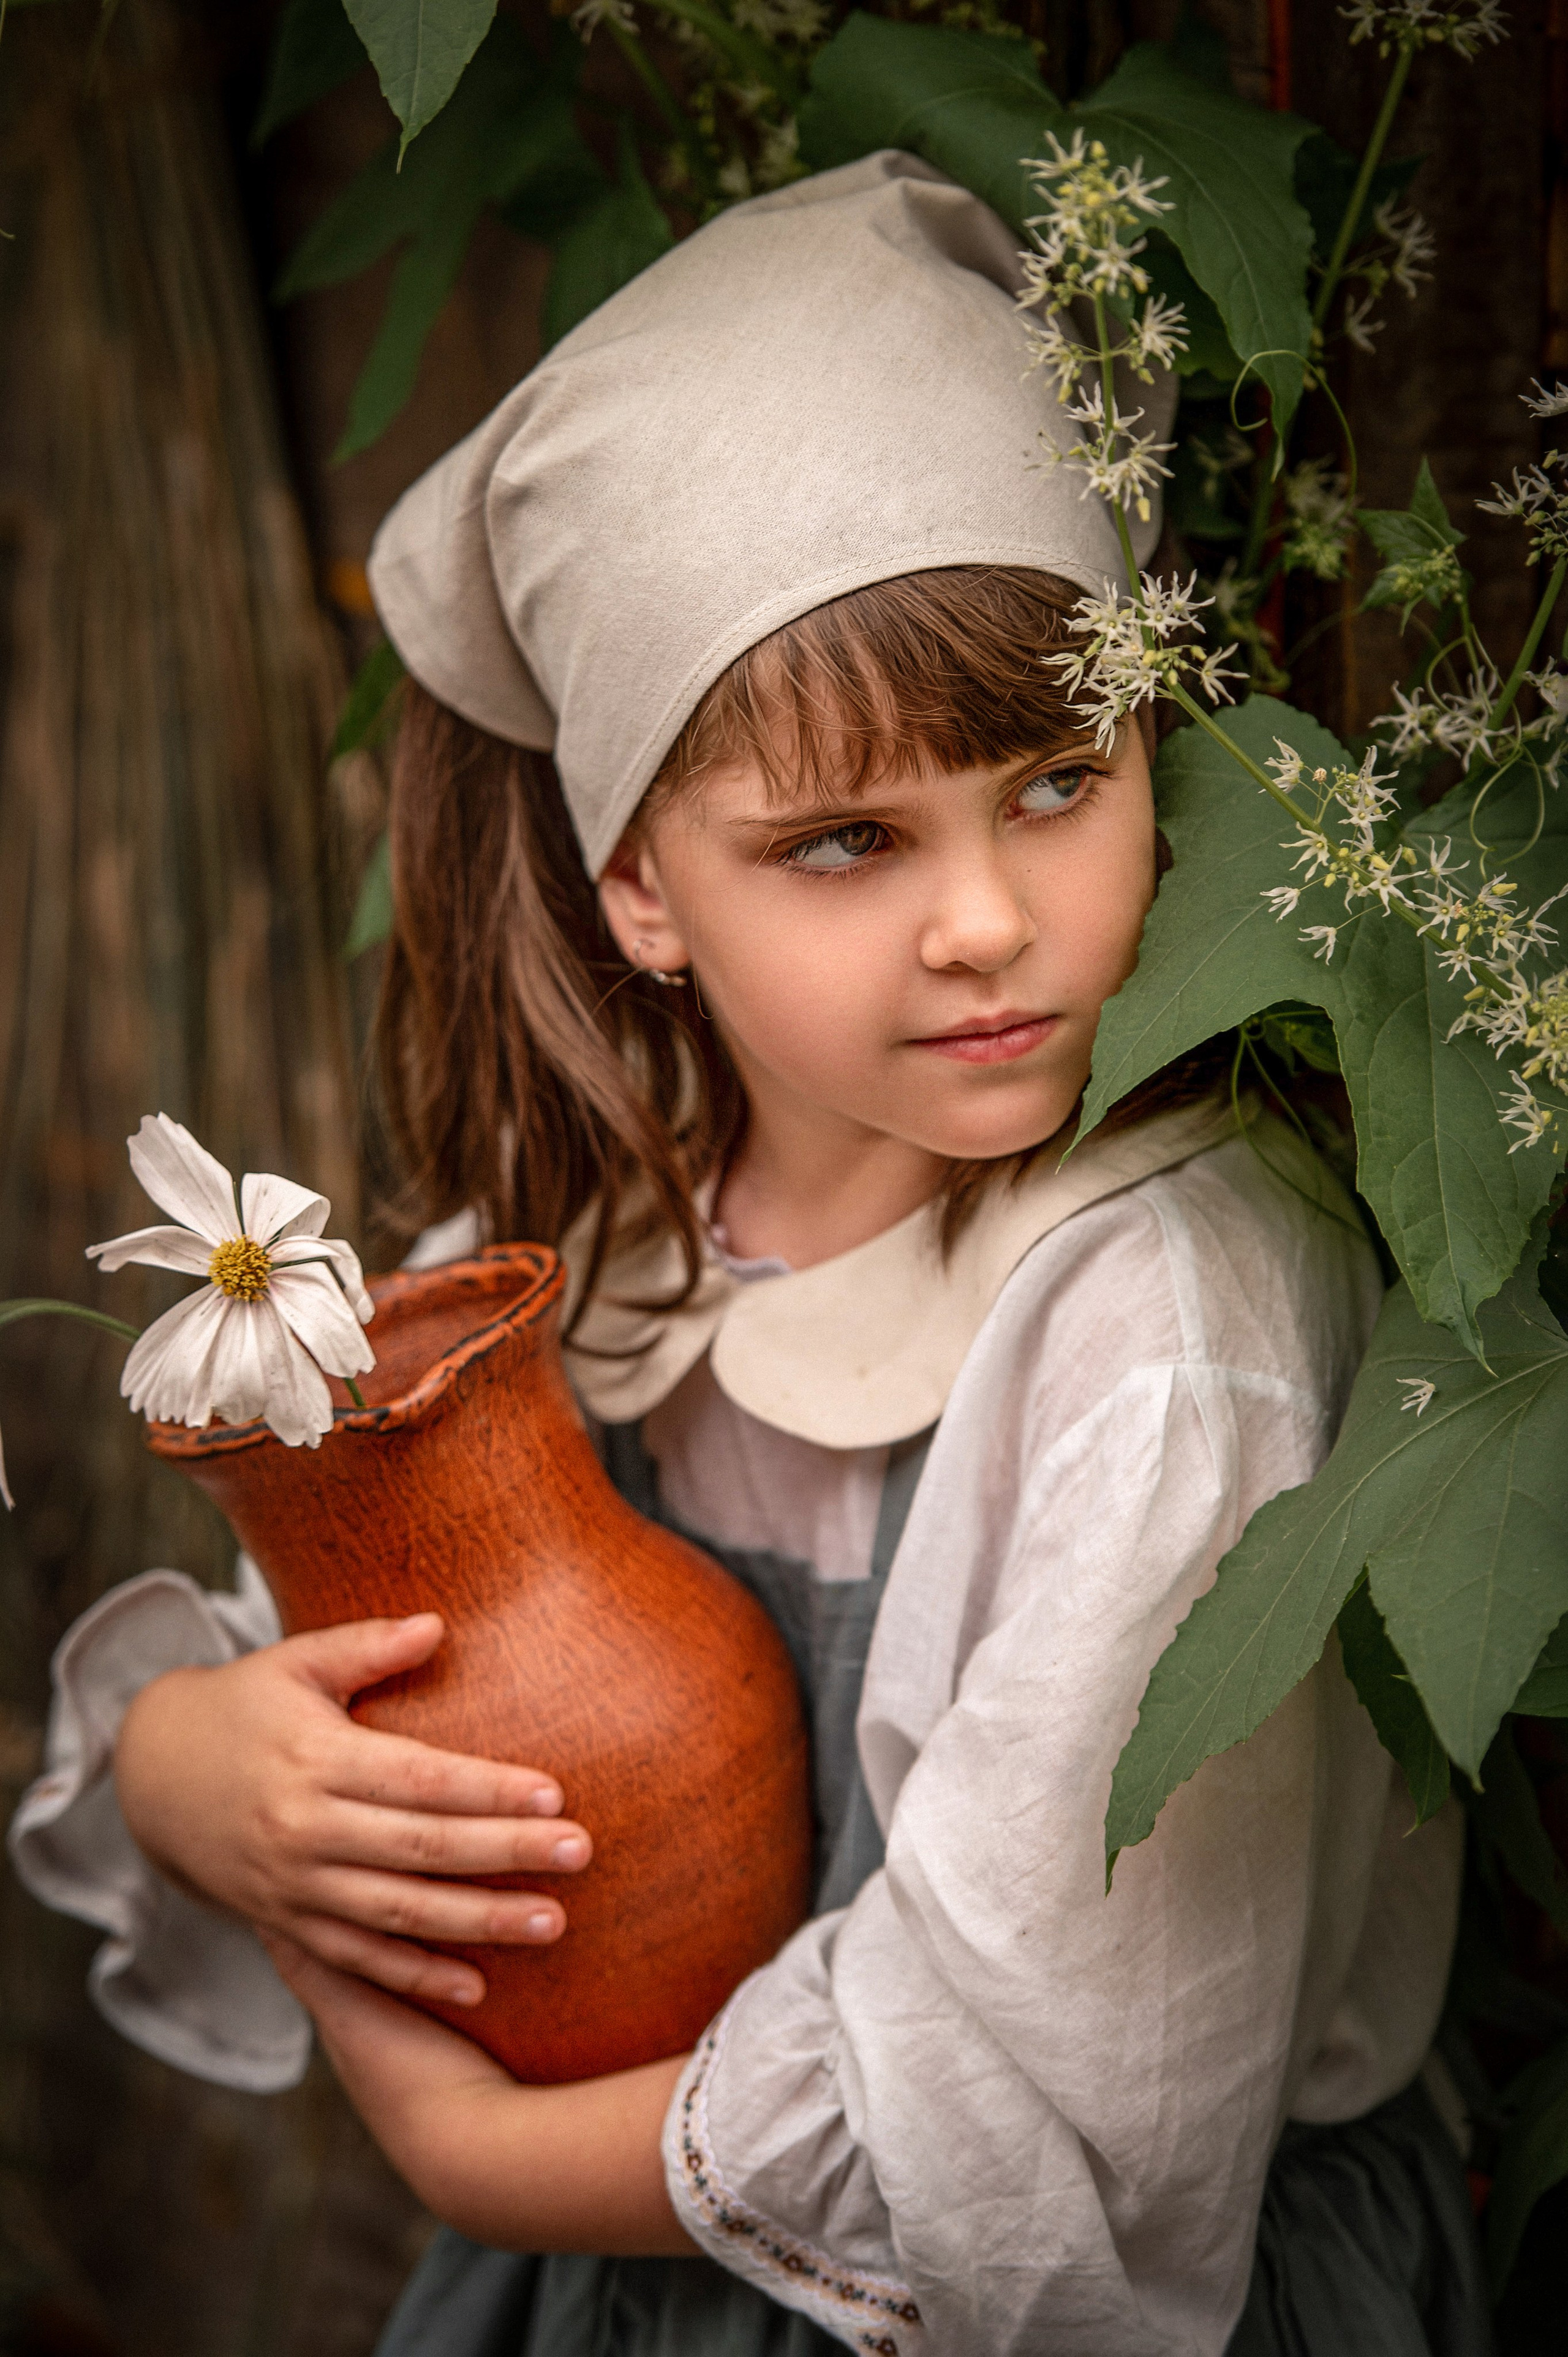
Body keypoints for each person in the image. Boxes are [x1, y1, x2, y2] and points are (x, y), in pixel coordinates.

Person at [10, 154, 1488, 2355]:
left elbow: (1033, 2125)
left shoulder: (1160, 1321)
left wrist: (466, 2156)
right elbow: (321, 1656)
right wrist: (196, 1770)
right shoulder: (566, 1277)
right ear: (639, 891)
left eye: (1060, 781)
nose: (985, 918)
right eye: (846, 841)